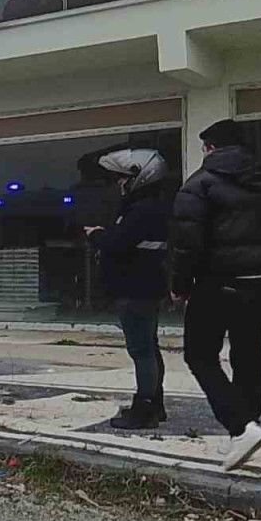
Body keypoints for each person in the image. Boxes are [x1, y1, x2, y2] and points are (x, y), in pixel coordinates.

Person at [171, 119, 261, 472]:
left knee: (200, 356)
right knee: (249, 357)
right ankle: (249, 428)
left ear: (212, 147)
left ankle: (241, 427)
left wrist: (180, 286)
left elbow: (187, 245)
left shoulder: (199, 186)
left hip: (217, 284)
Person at [84, 149, 172, 431]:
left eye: (123, 178)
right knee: (149, 347)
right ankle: (155, 404)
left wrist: (96, 234)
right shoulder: (150, 206)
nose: (120, 183)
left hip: (135, 289)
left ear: (139, 177)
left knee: (141, 350)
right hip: (143, 287)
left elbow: (118, 243)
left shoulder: (142, 209)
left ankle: (145, 410)